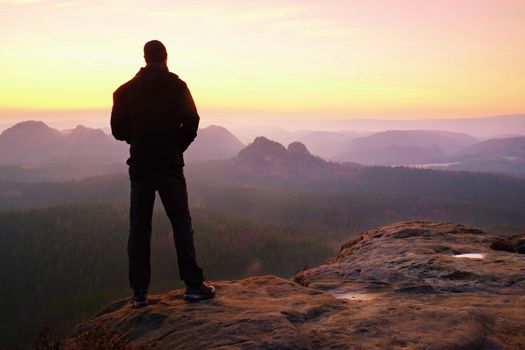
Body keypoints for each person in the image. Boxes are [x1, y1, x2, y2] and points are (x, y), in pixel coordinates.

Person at [110, 40, 215, 308]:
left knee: (139, 227)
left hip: (141, 165)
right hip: (169, 164)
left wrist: (138, 138)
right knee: (181, 222)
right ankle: (193, 286)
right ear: (166, 58)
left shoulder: (124, 91)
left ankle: (139, 294)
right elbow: (192, 120)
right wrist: (175, 146)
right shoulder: (177, 87)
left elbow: (117, 130)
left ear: (145, 58)